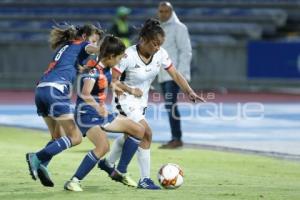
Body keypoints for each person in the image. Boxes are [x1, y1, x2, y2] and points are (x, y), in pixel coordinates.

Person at [98, 18, 204, 190]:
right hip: (124, 100)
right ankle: (143, 178)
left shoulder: (160, 54)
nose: (157, 48)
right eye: (155, 44)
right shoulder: (128, 55)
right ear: (143, 40)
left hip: (141, 102)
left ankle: (108, 163)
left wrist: (189, 91)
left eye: (160, 44)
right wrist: (130, 90)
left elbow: (175, 74)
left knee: (129, 136)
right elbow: (113, 81)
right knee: (146, 133)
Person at [25, 23, 103, 187]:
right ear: (84, 37)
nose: (94, 44)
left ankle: (43, 165)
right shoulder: (83, 44)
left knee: (57, 137)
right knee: (75, 138)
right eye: (94, 40)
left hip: (41, 90)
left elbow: (68, 64)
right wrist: (108, 48)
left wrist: (80, 68)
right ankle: (37, 157)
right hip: (56, 91)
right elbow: (92, 49)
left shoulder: (67, 46)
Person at [64, 35, 145, 192]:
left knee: (138, 130)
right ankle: (74, 181)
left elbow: (112, 83)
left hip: (98, 113)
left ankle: (120, 171)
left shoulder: (106, 68)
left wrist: (130, 90)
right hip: (86, 114)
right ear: (110, 56)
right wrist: (98, 106)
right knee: (103, 146)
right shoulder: (94, 71)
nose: (120, 61)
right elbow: (85, 93)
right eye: (119, 58)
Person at [157, 1, 192, 149]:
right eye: (161, 11)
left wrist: (182, 75)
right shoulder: (159, 28)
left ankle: (177, 138)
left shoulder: (179, 28)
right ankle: (175, 137)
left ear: (171, 12)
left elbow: (186, 51)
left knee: (171, 106)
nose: (163, 14)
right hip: (162, 75)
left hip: (174, 75)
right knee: (169, 106)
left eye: (166, 11)